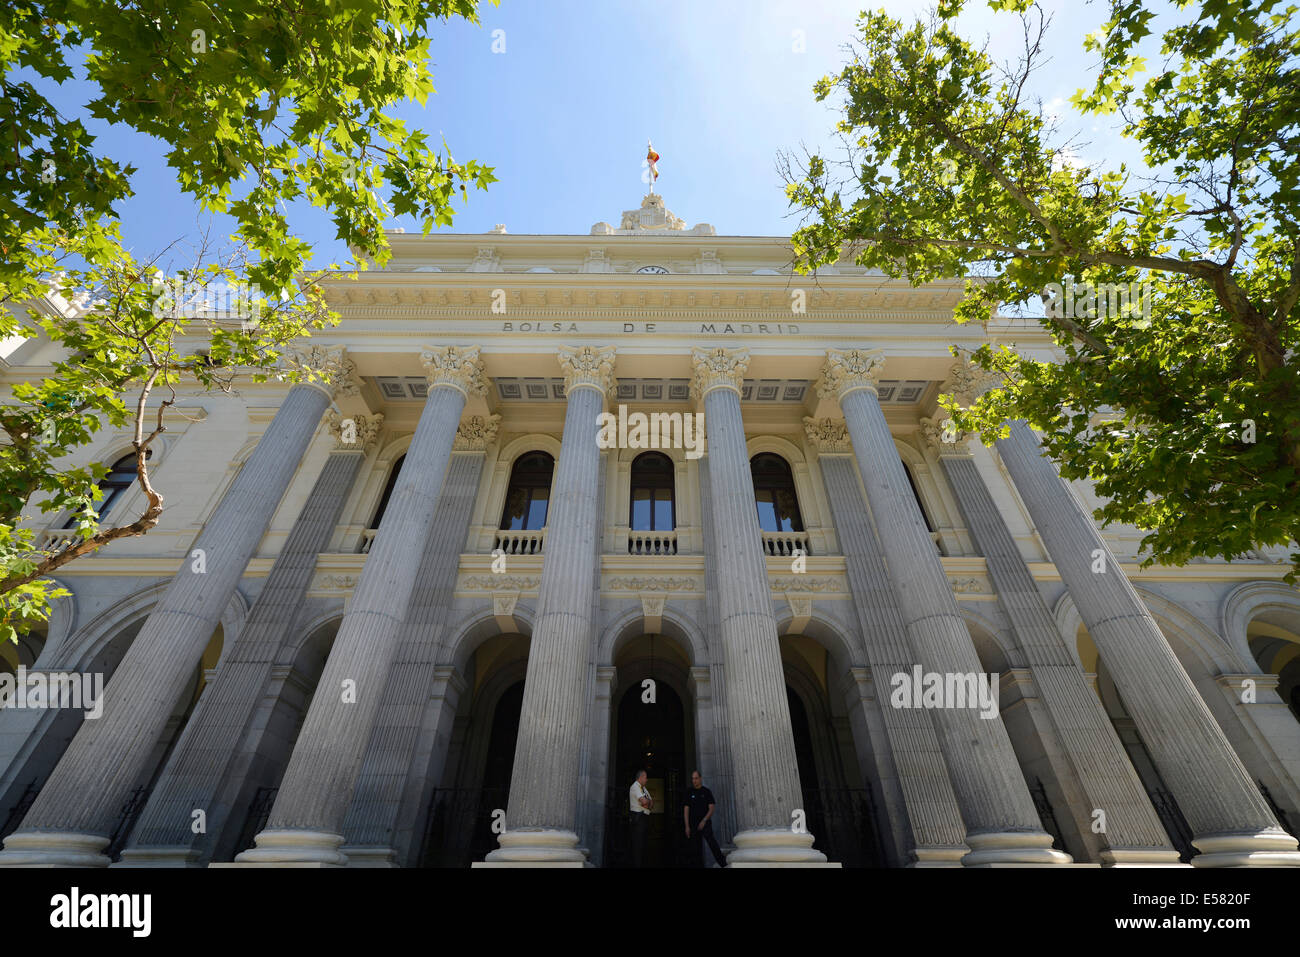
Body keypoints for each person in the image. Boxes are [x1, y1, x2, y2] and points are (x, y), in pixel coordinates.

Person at [681, 769, 727, 868]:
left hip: (705, 824)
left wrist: (704, 820)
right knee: (694, 849)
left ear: (700, 779)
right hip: (693, 825)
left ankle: (724, 864)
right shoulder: (689, 792)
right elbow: (686, 810)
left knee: (712, 844)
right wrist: (687, 826)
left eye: (696, 778)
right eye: (693, 779)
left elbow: (711, 808)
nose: (694, 781)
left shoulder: (706, 792)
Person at [628, 769, 653, 867]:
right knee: (638, 847)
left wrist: (648, 802)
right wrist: (647, 802)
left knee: (644, 847)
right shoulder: (635, 787)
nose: (647, 780)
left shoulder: (644, 788)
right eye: (646, 777)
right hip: (638, 819)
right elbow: (645, 802)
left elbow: (651, 803)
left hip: (644, 818)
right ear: (641, 777)